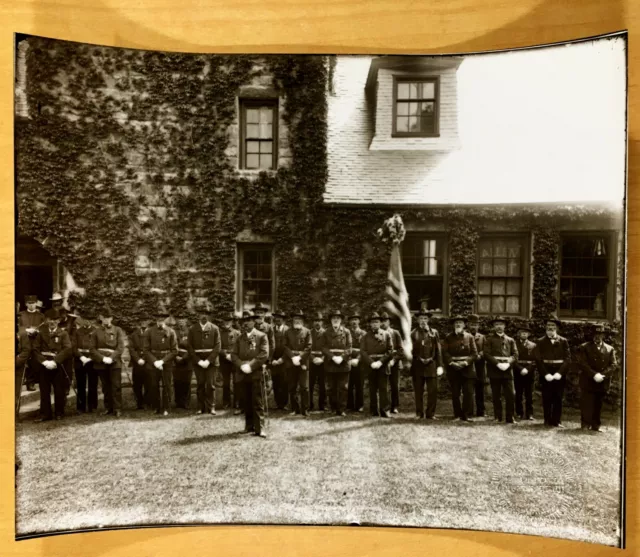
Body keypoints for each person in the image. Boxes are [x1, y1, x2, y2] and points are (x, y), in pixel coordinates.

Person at [231, 310, 269, 437]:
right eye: (244, 321)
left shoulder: (262, 336)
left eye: (249, 321)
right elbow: (234, 355)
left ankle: (260, 428)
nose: (246, 323)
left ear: (254, 322)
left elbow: (264, 354)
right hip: (242, 373)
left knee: (257, 401)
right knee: (246, 401)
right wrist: (242, 365)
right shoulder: (239, 338)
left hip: (255, 373)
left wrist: (251, 365)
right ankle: (249, 426)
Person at [577, 324, 617, 432]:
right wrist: (594, 374)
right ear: (591, 335)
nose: (597, 336)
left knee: (598, 404)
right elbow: (582, 363)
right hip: (588, 379)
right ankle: (585, 424)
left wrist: (602, 375)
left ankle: (596, 425)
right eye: (595, 334)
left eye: (600, 334)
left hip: (602, 381)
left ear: (603, 335)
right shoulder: (584, 347)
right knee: (587, 403)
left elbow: (613, 365)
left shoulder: (610, 349)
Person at [34, 308, 72, 421]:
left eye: (55, 320)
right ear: (46, 320)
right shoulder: (41, 333)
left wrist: (55, 361)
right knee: (44, 390)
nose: (52, 322)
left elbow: (67, 349)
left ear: (58, 321)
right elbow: (35, 349)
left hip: (58, 365)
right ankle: (45, 414)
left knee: (59, 390)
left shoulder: (63, 333)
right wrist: (44, 362)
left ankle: (59, 412)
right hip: (44, 365)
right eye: (50, 319)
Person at [534, 315, 571, 428]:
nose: (550, 327)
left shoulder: (563, 341)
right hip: (547, 372)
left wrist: (560, 373)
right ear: (545, 327)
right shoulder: (540, 341)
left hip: (559, 373)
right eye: (548, 325)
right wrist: (545, 374)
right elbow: (538, 360)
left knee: (558, 397)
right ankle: (546, 419)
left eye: (553, 325)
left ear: (557, 328)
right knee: (547, 396)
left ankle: (557, 421)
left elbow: (568, 358)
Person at [90, 305, 125, 417]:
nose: (106, 320)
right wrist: (102, 358)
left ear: (111, 318)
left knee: (116, 386)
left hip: (114, 362)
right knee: (105, 386)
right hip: (101, 363)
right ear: (101, 318)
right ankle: (108, 408)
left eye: (108, 317)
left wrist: (111, 357)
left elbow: (120, 347)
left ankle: (117, 408)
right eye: (104, 317)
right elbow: (92, 349)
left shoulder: (118, 330)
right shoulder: (96, 332)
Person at [442, 315, 478, 422]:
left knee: (468, 393)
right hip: (453, 369)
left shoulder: (470, 337)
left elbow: (474, 353)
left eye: (460, 322)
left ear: (464, 325)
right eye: (456, 322)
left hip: (467, 369)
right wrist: (452, 362)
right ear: (453, 325)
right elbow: (445, 352)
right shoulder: (448, 337)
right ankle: (457, 415)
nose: (458, 324)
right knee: (455, 393)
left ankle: (465, 415)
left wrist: (465, 363)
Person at [484, 316, 518, 424]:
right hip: (495, 370)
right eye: (496, 325)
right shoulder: (489, 340)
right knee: (496, 395)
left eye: (501, 324)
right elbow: (487, 354)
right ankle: (497, 416)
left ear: (505, 326)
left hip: (508, 370)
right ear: (493, 327)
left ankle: (510, 417)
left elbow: (515, 354)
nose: (499, 327)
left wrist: (508, 363)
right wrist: (497, 364)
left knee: (511, 395)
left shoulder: (511, 340)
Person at [410, 307, 443, 419]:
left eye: (425, 318)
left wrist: (439, 366)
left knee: (432, 391)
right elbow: (410, 350)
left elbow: (438, 350)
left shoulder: (434, 333)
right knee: (418, 391)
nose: (423, 321)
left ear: (428, 320)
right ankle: (419, 413)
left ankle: (430, 413)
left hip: (431, 365)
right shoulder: (413, 333)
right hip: (418, 366)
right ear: (417, 320)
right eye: (421, 318)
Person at [144, 310, 178, 416]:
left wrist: (163, 361)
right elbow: (146, 350)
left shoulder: (171, 332)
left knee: (167, 385)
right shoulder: (149, 332)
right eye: (158, 319)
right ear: (155, 320)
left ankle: (166, 408)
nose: (160, 322)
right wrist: (155, 361)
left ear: (165, 320)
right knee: (154, 385)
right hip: (153, 362)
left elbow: (174, 350)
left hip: (166, 362)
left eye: (162, 319)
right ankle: (156, 407)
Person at [187, 309, 221, 415]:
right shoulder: (192, 329)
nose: (204, 316)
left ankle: (211, 407)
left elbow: (218, 346)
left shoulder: (215, 328)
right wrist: (198, 361)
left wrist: (208, 360)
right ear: (198, 316)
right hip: (198, 362)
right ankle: (200, 407)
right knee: (200, 384)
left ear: (209, 316)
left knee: (211, 385)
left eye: (206, 314)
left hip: (211, 362)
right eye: (202, 314)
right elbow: (189, 347)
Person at [360, 312, 393, 418]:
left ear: (380, 323)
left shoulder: (387, 334)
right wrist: (371, 362)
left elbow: (390, 351)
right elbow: (363, 351)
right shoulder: (365, 336)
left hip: (382, 365)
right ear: (370, 324)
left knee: (384, 388)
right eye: (372, 322)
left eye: (377, 322)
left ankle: (385, 410)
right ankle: (373, 410)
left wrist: (380, 362)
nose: (375, 324)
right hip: (370, 366)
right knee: (372, 388)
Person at [321, 310, 352, 417]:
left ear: (341, 320)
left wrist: (342, 357)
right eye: (333, 318)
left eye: (338, 318)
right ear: (330, 320)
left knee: (343, 387)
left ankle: (342, 409)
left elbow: (349, 348)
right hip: (331, 363)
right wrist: (333, 357)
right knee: (331, 387)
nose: (335, 320)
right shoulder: (326, 332)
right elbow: (323, 348)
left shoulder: (347, 332)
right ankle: (333, 408)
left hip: (343, 363)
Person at [283, 309, 312, 416]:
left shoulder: (307, 332)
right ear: (292, 320)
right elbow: (285, 347)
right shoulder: (287, 332)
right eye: (295, 318)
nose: (297, 321)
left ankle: (306, 409)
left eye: (299, 319)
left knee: (304, 387)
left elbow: (308, 348)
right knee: (292, 387)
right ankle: (295, 409)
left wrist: (299, 357)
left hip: (303, 363)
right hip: (291, 363)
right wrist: (292, 357)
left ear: (303, 320)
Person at [73, 309, 99, 414]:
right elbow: (73, 347)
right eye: (85, 319)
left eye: (89, 319)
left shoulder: (96, 331)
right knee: (80, 384)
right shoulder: (77, 332)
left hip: (92, 360)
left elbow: (98, 347)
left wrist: (91, 358)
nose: (87, 321)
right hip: (80, 360)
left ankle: (92, 406)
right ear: (82, 320)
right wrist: (81, 357)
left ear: (92, 321)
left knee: (93, 383)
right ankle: (81, 407)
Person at [18, 294, 44, 391]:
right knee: (23, 361)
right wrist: (26, 330)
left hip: (36, 341)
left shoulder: (41, 316)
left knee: (34, 362)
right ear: (26, 304)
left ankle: (31, 382)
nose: (31, 305)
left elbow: (44, 328)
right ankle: (21, 381)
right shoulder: (21, 315)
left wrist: (37, 331)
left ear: (36, 303)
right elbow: (18, 327)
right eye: (29, 303)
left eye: (33, 303)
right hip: (25, 341)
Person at [380, 311, 404, 414]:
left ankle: (394, 406)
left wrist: (394, 360)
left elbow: (401, 350)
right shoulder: (378, 333)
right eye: (382, 321)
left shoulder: (395, 333)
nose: (383, 323)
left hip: (394, 362)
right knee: (383, 386)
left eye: (386, 321)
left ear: (389, 322)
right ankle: (384, 406)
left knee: (395, 385)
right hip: (383, 362)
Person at [513, 325, 537, 421]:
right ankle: (519, 413)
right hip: (517, 370)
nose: (524, 334)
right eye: (522, 333)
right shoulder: (513, 344)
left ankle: (529, 413)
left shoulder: (533, 345)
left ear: (529, 334)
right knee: (518, 393)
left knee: (529, 394)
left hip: (529, 372)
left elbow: (536, 360)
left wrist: (528, 369)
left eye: (526, 333)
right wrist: (520, 369)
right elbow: (513, 359)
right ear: (519, 334)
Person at [219, 311, 241, 411]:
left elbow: (240, 347)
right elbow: (217, 347)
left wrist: (232, 356)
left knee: (236, 381)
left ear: (232, 322)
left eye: (229, 321)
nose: (227, 323)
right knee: (226, 382)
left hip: (235, 360)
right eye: (225, 321)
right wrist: (225, 354)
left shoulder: (237, 333)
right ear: (223, 322)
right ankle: (226, 402)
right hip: (224, 360)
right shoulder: (219, 333)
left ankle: (237, 402)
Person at [128, 317, 151, 410]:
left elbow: (152, 347)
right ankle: (139, 403)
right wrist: (137, 359)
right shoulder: (134, 335)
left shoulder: (151, 333)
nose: (143, 323)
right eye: (142, 321)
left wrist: (145, 359)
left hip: (148, 361)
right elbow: (131, 349)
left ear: (148, 322)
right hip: (137, 363)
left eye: (145, 321)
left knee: (148, 383)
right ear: (139, 323)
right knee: (137, 384)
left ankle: (147, 402)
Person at [269, 309, 289, 410]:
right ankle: (278, 403)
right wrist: (271, 359)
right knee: (275, 381)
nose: (278, 320)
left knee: (284, 382)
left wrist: (282, 359)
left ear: (283, 319)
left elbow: (289, 347)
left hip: (285, 360)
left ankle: (284, 403)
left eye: (280, 318)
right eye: (276, 318)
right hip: (273, 361)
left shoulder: (288, 330)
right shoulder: (271, 330)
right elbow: (268, 345)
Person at [467, 314, 487, 417]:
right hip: (469, 366)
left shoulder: (482, 337)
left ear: (478, 326)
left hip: (480, 366)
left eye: (475, 325)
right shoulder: (465, 336)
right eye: (471, 324)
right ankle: (469, 411)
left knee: (480, 388)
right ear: (468, 325)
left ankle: (481, 411)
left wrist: (480, 355)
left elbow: (486, 349)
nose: (473, 326)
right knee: (469, 389)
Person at [346, 311, 366, 412]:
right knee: (349, 384)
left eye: (356, 319)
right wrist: (349, 359)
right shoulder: (346, 332)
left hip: (360, 362)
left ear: (359, 321)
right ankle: (349, 405)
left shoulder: (363, 333)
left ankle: (360, 405)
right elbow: (345, 347)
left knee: (359, 384)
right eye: (352, 320)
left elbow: (364, 349)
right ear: (349, 322)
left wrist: (357, 359)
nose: (354, 322)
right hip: (348, 361)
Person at [173, 317, 193, 410]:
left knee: (186, 382)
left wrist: (183, 358)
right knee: (177, 382)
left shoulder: (191, 332)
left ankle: (186, 402)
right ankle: (178, 402)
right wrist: (176, 357)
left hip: (187, 361)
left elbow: (192, 348)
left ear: (186, 322)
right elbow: (171, 346)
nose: (181, 323)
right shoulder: (174, 332)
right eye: (179, 321)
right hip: (176, 360)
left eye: (183, 321)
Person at [309, 312, 327, 412]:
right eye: (316, 321)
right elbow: (306, 347)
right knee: (310, 384)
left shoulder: (326, 333)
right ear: (313, 322)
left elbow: (328, 347)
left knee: (322, 384)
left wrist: (322, 358)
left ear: (322, 322)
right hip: (311, 362)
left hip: (322, 361)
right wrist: (312, 358)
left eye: (319, 321)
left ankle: (322, 405)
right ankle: (309, 404)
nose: (317, 323)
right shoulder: (308, 332)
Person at [15, 326, 31, 417]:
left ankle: (14, 415)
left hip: (17, 366)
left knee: (15, 392)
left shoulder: (22, 332)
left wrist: (16, 361)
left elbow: (26, 350)